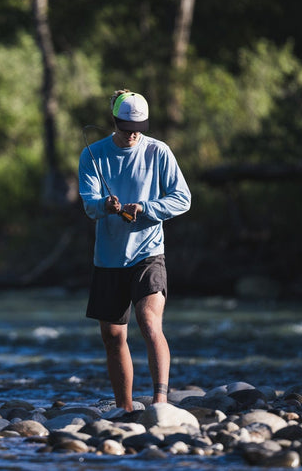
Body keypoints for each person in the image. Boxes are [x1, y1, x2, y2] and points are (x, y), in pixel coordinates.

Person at [78, 89, 191, 411]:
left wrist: (146, 209)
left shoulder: (159, 152)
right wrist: (106, 205)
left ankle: (160, 403)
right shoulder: (93, 154)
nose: (133, 134)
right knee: (113, 337)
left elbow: (182, 199)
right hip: (109, 258)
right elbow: (89, 205)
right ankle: (124, 410)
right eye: (127, 128)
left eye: (139, 128)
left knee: (149, 322)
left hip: (149, 252)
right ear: (115, 122)